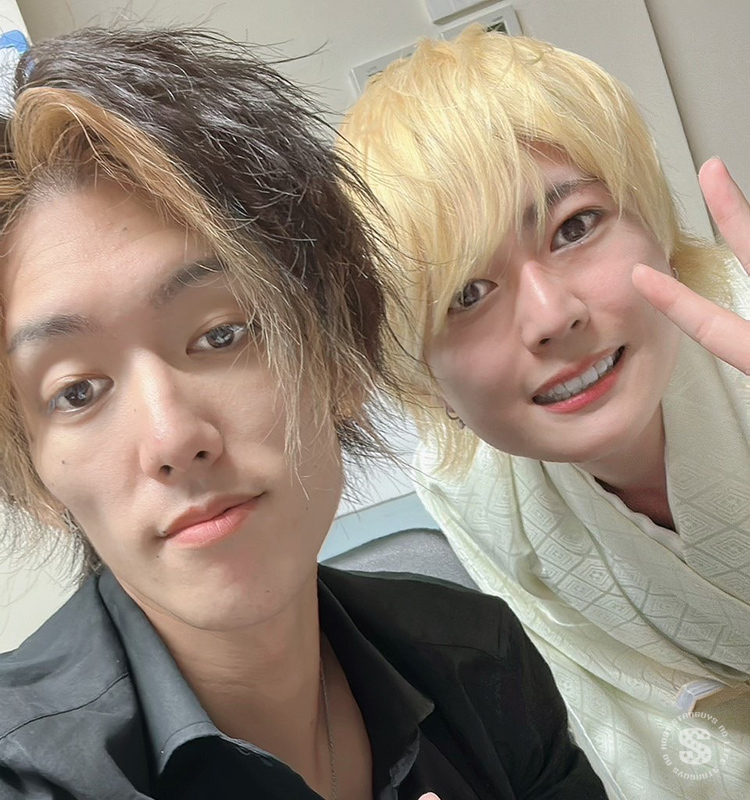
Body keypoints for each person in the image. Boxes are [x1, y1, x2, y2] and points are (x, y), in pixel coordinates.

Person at [0, 26, 607, 800]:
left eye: (221, 335)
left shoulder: (480, 661)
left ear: (339, 361)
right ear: (33, 477)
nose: (173, 438)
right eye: (77, 392)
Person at [339, 27, 750, 800]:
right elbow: (610, 721)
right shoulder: (474, 492)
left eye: (575, 226)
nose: (551, 317)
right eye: (466, 293)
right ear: (428, 380)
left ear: (656, 226)